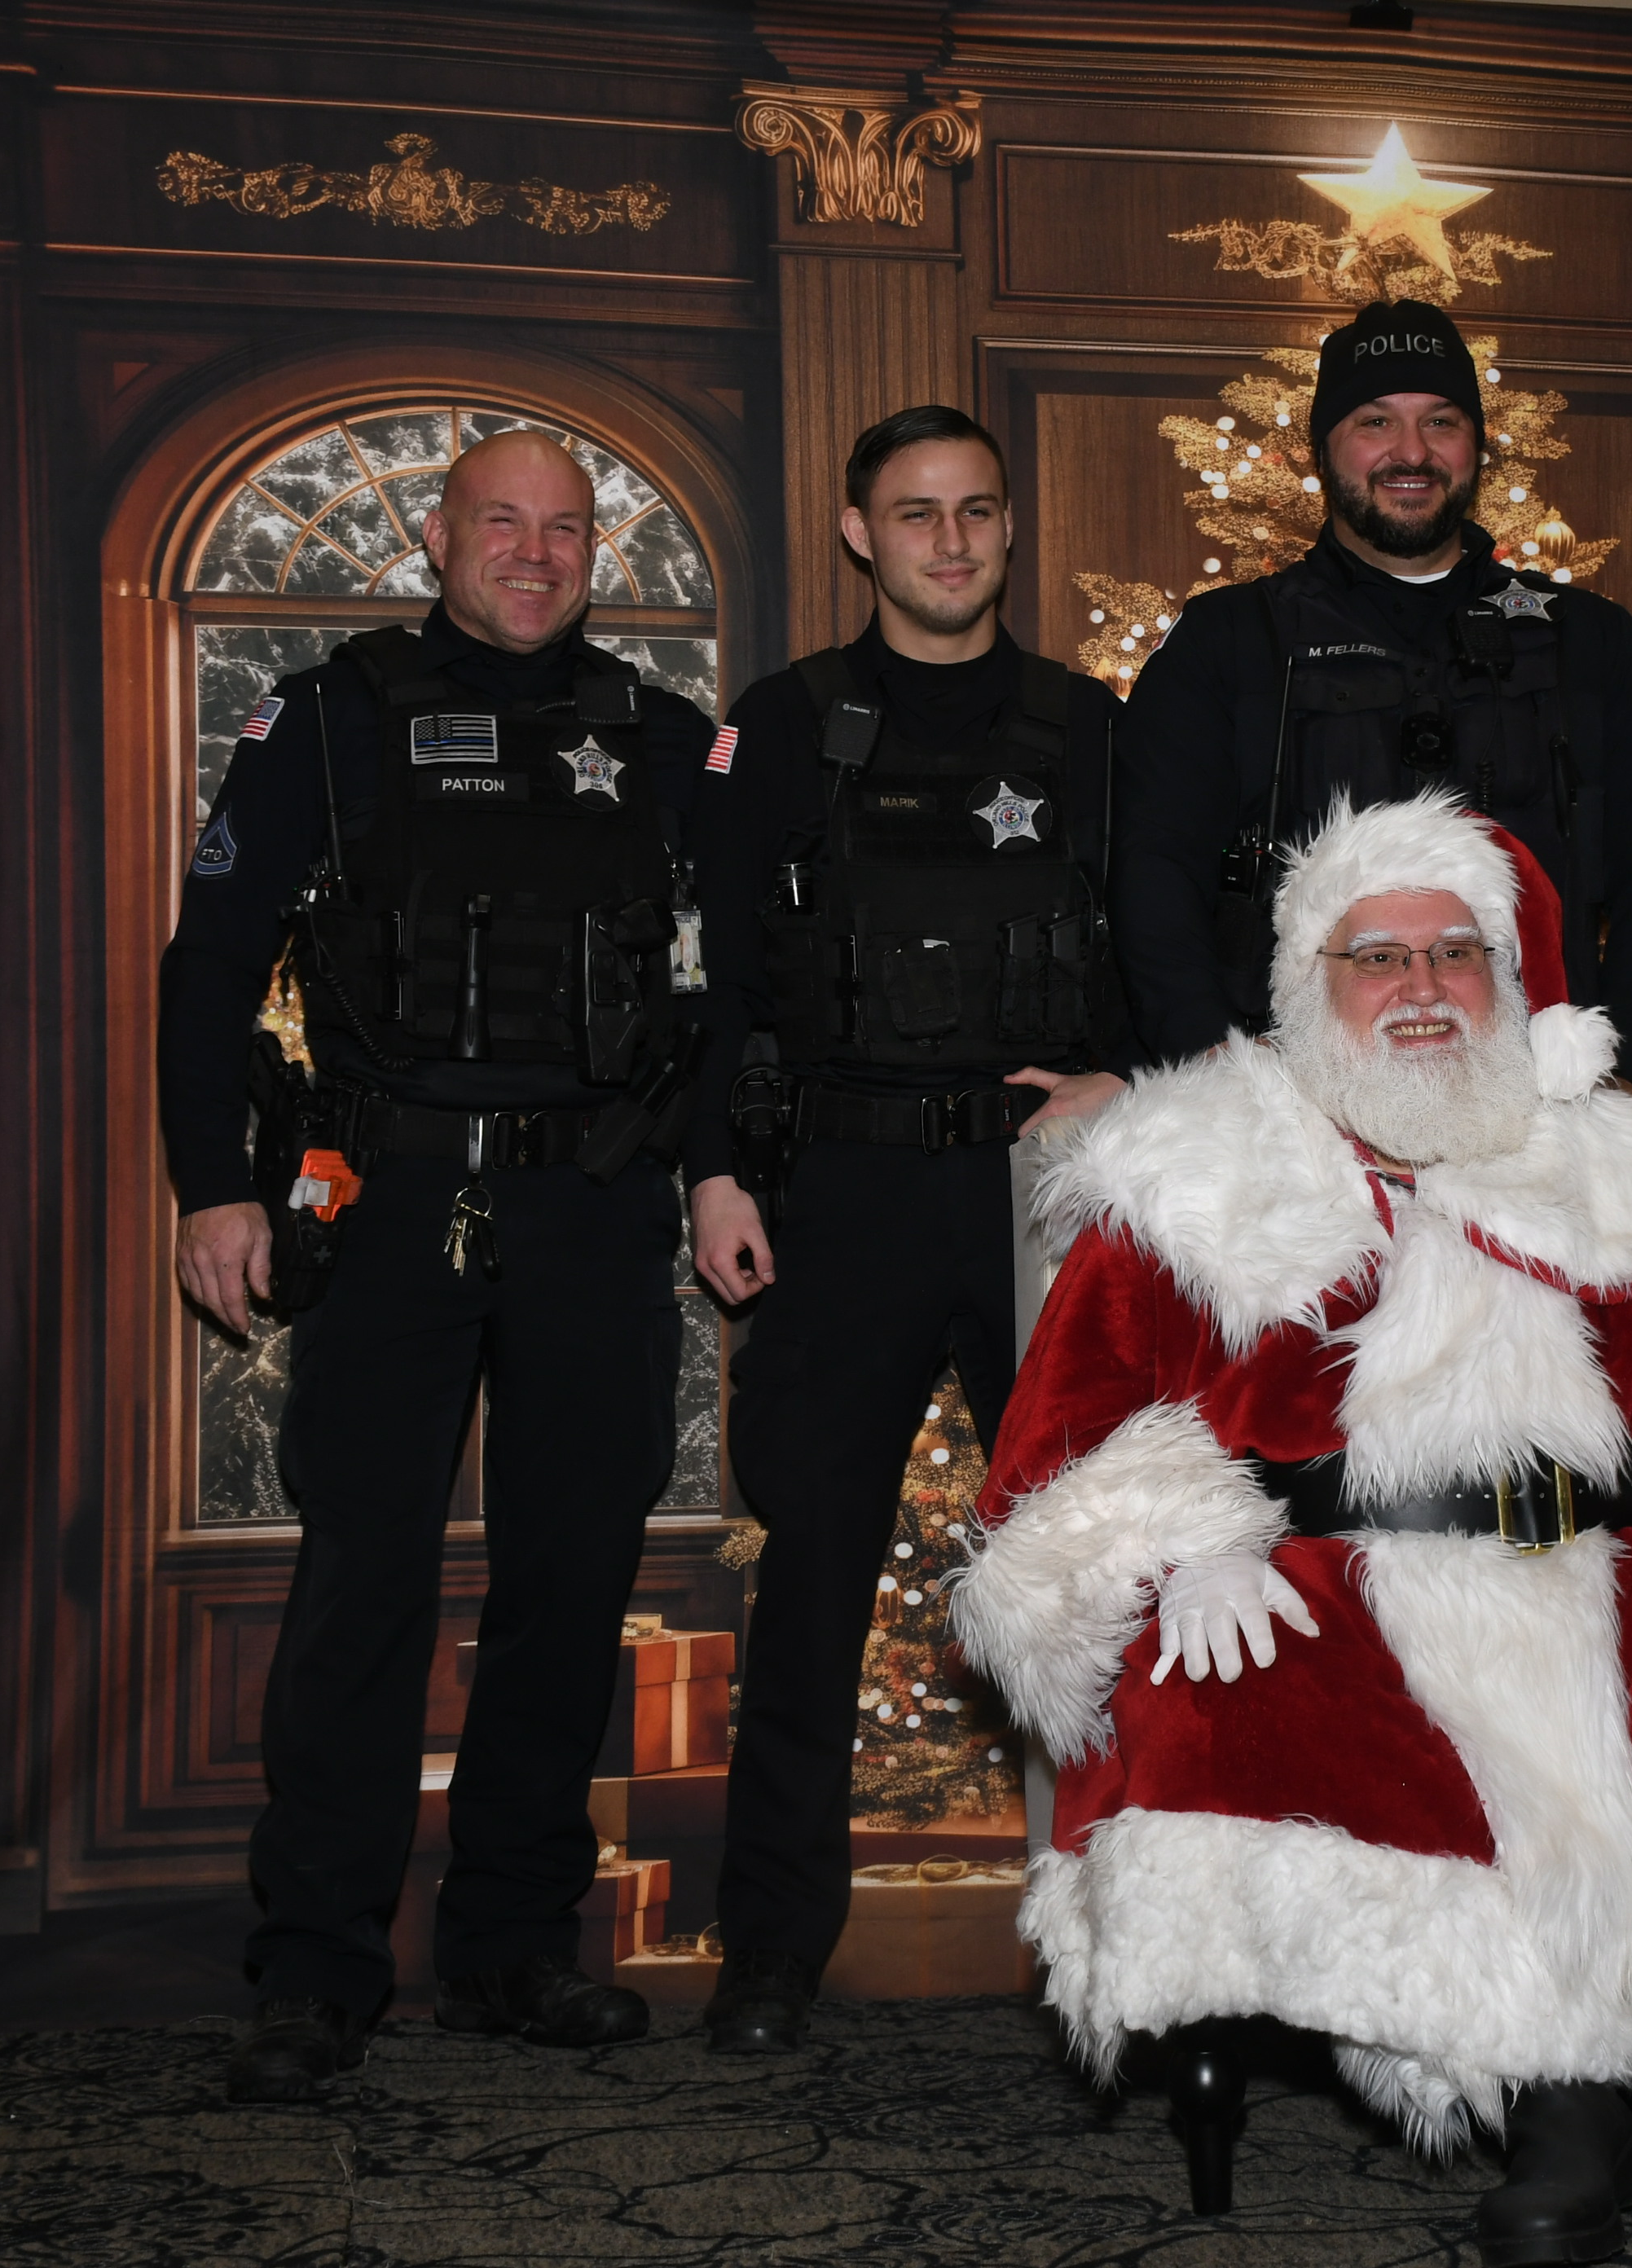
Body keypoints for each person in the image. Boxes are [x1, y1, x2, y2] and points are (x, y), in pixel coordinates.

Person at [953, 790, 1632, 2265]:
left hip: (1625, 1565)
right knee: (1295, 1698)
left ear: (1513, 983)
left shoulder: (1631, 1168)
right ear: (1308, 985)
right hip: (1336, 1588)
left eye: (1456, 953)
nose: (1423, 987)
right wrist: (1176, 1543)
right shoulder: (1189, 1177)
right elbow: (1057, 1445)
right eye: (1378, 957)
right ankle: (1558, 2103)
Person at [160, 429, 719, 2102]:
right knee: (363, 1587)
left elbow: (726, 989)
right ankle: (316, 1968)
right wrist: (214, 1185)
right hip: (384, 1201)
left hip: (593, 1208)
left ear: (596, 553)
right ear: (435, 532)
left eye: (566, 530)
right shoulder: (328, 719)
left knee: (569, 1585)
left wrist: (714, 1168)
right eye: (502, 523)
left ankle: (510, 1949)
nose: (535, 555)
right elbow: (212, 963)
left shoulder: (666, 737)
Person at [682, 405, 1130, 2055]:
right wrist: (715, 1171)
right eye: (917, 513)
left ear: (1008, 529)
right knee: (810, 1580)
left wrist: (1131, 1075)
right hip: (844, 1194)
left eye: (977, 512)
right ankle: (771, 1948)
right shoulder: (788, 723)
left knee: (1088, 1572)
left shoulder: (1088, 728)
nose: (951, 541)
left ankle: (1126, 1936)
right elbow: (719, 969)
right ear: (860, 533)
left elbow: (1156, 945)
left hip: (1037, 1196)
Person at [1108, 297, 1632, 1091]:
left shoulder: (1590, 642)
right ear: (1324, 447)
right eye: (1376, 422)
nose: (1412, 452)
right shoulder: (1228, 644)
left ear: (1476, 445)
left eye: (1441, 422)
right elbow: (1154, 874)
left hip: (1546, 1102)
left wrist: (1627, 1073)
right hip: (1292, 1109)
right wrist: (1216, 1074)